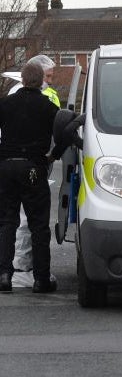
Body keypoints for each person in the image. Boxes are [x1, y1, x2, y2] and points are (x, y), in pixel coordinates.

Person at [0, 60, 60, 293]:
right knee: (38, 225)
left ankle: (4, 275)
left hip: (6, 167)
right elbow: (64, 129)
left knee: (6, 222)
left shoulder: (6, 104)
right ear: (41, 81)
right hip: (34, 168)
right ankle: (41, 279)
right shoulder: (47, 107)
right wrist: (54, 154)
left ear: (22, 80)